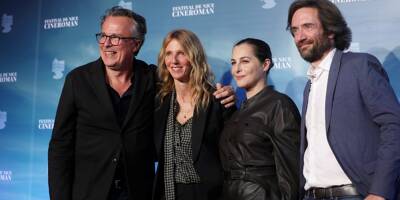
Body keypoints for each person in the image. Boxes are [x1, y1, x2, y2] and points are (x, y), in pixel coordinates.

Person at [48, 7, 234, 200]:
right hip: (90, 192)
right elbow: (60, 146)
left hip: (138, 192)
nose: (106, 44)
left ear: (136, 45)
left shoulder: (152, 79)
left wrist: (221, 93)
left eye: (115, 37)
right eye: (103, 36)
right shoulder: (78, 80)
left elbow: (186, 82)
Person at [286, 0, 400, 200]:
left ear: (331, 30)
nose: (300, 37)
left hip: (354, 194)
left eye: (308, 27)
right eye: (295, 30)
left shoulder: (359, 66)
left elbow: (394, 126)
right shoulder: (309, 85)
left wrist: (379, 192)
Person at [152, 29, 236, 200]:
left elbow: (233, 159)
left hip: (209, 195)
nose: (173, 60)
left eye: (181, 53)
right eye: (169, 53)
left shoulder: (217, 101)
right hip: (167, 194)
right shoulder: (160, 103)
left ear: (194, 57)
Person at [219, 38, 301, 200]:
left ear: (265, 65)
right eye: (234, 62)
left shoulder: (280, 105)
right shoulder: (236, 111)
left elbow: (291, 171)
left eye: (245, 61)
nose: (237, 69)